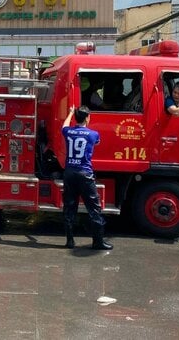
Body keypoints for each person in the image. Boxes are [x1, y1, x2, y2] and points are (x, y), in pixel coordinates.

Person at [61, 105, 113, 250]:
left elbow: (64, 125)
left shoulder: (68, 131)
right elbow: (97, 143)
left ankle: (70, 241)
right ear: (87, 118)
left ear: (76, 117)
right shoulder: (93, 134)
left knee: (69, 207)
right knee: (94, 208)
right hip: (85, 173)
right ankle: (98, 241)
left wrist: (70, 113)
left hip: (69, 172)